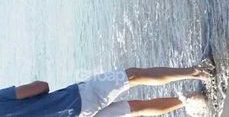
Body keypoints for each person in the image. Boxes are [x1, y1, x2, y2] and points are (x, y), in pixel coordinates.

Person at [0, 62, 212, 116]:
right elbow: (42, 86)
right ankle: (197, 72)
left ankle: (193, 102)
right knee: (132, 76)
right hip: (79, 98)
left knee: (136, 109)